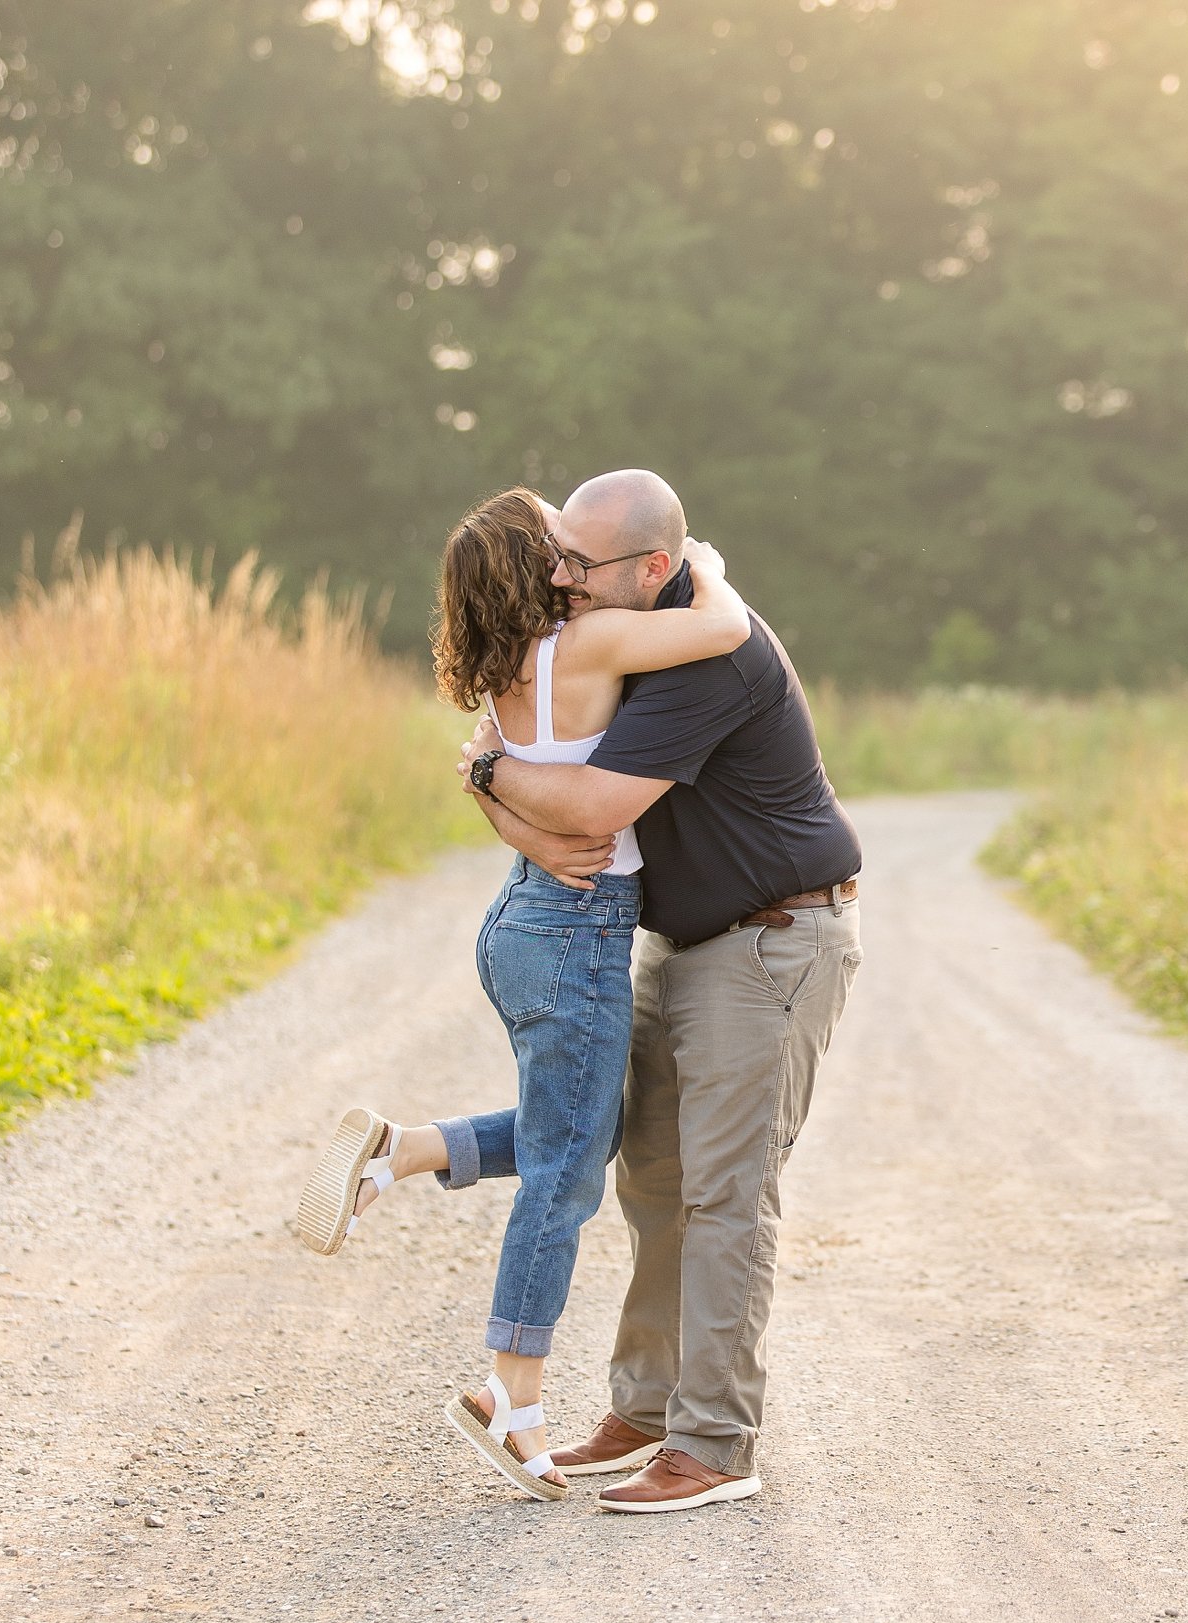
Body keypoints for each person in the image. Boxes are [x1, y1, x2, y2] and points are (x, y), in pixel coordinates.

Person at [286, 481, 751, 1503]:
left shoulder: (507, 667)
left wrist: (528, 827)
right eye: (553, 547)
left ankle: (402, 1149)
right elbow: (719, 627)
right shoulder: (585, 648)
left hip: (525, 917)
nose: (565, 564)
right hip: (574, 933)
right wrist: (702, 560)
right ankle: (514, 1394)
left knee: (579, 1132)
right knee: (563, 1177)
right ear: (528, 570)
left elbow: (497, 778)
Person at [457, 467, 864, 1515]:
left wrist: (491, 771)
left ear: (650, 566)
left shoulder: (706, 653)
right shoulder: (629, 625)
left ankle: (716, 1442)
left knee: (724, 1194)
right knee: (648, 1175)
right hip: (683, 938)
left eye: (577, 565)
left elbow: (588, 812)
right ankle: (646, 1405)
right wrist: (493, 775)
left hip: (772, 938)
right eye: (556, 558)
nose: (559, 580)